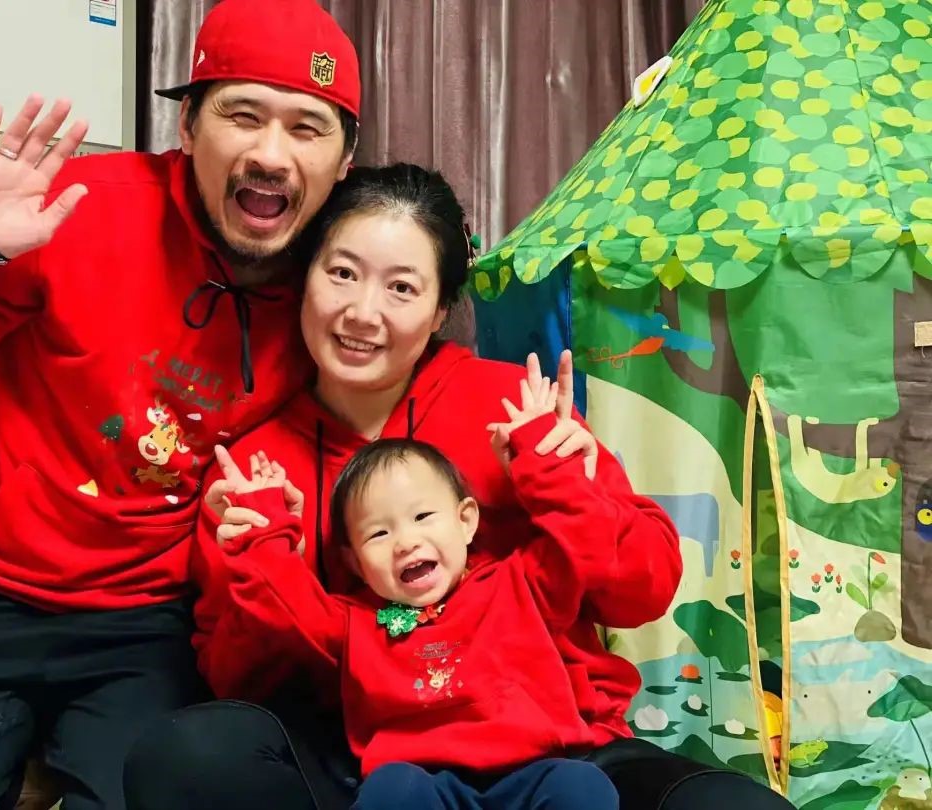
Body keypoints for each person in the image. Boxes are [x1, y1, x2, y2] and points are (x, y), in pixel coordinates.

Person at [125, 163, 797, 810]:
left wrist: (570, 486)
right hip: (368, 756)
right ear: (305, 278)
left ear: (442, 309)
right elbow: (234, 678)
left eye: (402, 288)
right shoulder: (256, 467)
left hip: (558, 749)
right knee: (184, 757)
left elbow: (641, 591)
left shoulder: (516, 409)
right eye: (342, 273)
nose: (362, 312)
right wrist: (263, 562)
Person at [0, 1, 360, 807]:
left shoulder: (337, 283)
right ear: (187, 125)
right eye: (243, 115)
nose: (271, 154)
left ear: (344, 160)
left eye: (307, 128)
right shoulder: (86, 206)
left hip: (146, 623)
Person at [205, 366, 620, 810]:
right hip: (423, 784)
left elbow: (586, 544)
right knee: (391, 789)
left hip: (535, 773)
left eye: (423, 517)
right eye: (378, 534)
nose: (405, 542)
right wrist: (265, 527)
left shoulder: (521, 583)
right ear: (354, 563)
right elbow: (282, 609)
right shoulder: (352, 622)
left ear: (466, 521)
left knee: (584, 785)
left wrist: (543, 460)